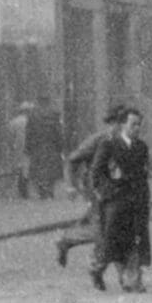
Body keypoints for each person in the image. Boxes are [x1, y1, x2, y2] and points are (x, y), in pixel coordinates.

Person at [89, 106, 152, 293]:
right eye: (133, 124)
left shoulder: (141, 147)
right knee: (111, 244)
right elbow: (96, 173)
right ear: (123, 124)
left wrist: (144, 198)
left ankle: (132, 281)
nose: (137, 128)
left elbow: (143, 174)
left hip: (136, 202)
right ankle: (96, 269)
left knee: (135, 241)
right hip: (115, 203)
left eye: (139, 125)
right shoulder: (109, 145)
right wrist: (108, 193)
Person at [55, 105, 126, 268]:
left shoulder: (128, 142)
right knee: (107, 227)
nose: (123, 127)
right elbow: (72, 161)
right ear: (113, 123)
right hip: (96, 189)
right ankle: (103, 265)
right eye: (120, 123)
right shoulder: (98, 140)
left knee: (108, 225)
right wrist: (70, 186)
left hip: (117, 190)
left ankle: (68, 241)